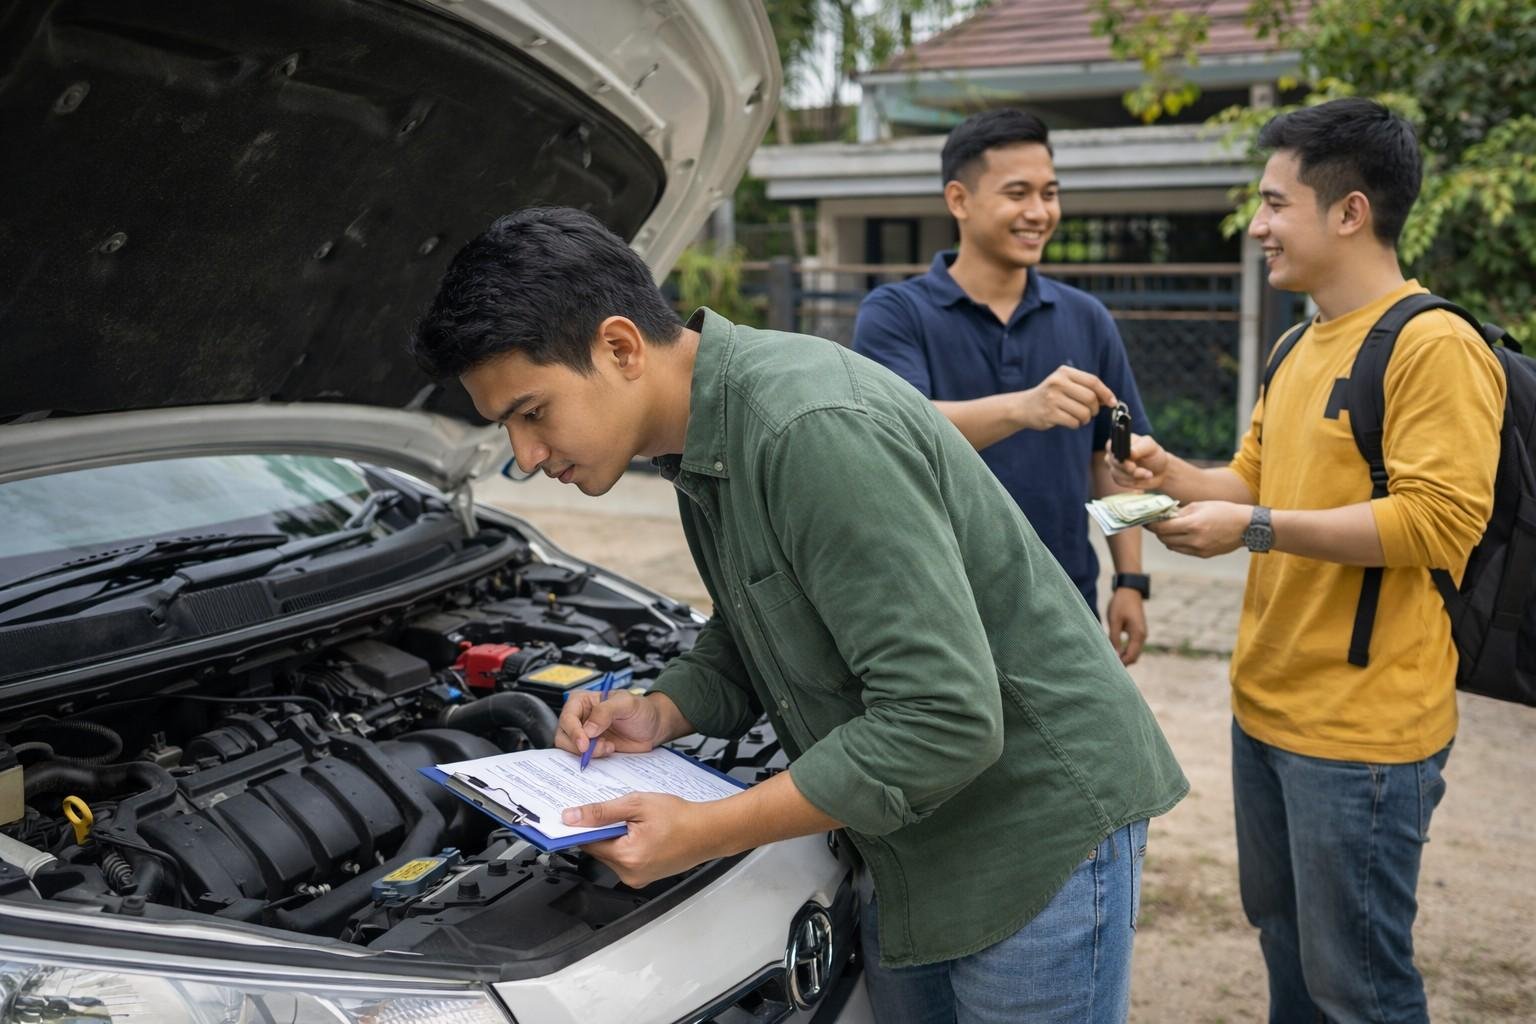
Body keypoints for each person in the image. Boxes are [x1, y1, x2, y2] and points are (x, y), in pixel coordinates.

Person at [411, 206, 1187, 1022]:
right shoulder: (702, 438)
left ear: (619, 347)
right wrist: (660, 710)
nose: (526, 459)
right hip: (910, 839)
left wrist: (707, 828)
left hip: (1030, 834)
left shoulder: (806, 430)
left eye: (532, 414)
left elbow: (944, 719)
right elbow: (760, 621)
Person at [1108, 98, 1505, 1023]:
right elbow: (1252, 478)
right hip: (1270, 709)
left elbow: (1439, 522)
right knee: (1287, 952)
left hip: (1362, 738)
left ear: (1350, 212)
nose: (1258, 226)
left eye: (1274, 202)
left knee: (1357, 987)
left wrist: (1253, 531)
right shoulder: (1297, 343)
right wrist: (1170, 473)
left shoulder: (1433, 346)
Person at [854, 108, 1154, 664]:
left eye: (1050, 193)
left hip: (1066, 606)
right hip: (936, 611)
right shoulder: (895, 312)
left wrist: (1132, 579)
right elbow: (895, 433)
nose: (1039, 212)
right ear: (959, 200)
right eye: (1018, 193)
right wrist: (1024, 407)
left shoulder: (1086, 318)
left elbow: (1112, 465)